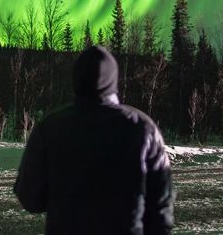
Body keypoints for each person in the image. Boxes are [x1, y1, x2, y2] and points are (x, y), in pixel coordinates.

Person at [14, 45, 174, 234]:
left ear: (76, 79)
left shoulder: (50, 127)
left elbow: (30, 197)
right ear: (114, 80)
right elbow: (161, 203)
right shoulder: (143, 128)